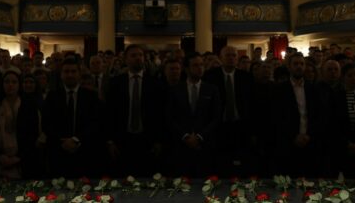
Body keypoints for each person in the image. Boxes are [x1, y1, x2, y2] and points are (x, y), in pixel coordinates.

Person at [105, 44, 165, 176]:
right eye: (133, 55)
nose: (138, 58)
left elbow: (160, 114)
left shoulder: (155, 83)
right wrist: (110, 140)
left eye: (140, 55)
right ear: (126, 60)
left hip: (147, 139)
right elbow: (109, 113)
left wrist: (159, 140)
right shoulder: (116, 83)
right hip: (122, 139)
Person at [166, 52, 221, 176]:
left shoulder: (211, 89)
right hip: (181, 145)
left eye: (202, 65)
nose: (200, 68)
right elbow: (170, 117)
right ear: (186, 69)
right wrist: (185, 136)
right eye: (195, 65)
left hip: (205, 144)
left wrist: (200, 136)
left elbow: (216, 117)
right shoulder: (175, 90)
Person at [42, 59, 99, 177]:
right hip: (59, 151)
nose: (70, 75)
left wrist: (76, 140)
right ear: (61, 74)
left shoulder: (91, 96)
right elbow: (47, 123)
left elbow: (95, 123)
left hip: (84, 151)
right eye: (66, 71)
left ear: (79, 74)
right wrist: (62, 141)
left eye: (73, 71)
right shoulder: (52, 96)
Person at [204, 46, 254, 174]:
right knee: (221, 161)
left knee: (241, 160)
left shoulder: (246, 77)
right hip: (219, 125)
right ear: (221, 58)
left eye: (233, 55)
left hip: (240, 124)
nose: (231, 58)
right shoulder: (210, 77)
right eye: (228, 55)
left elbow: (250, 103)